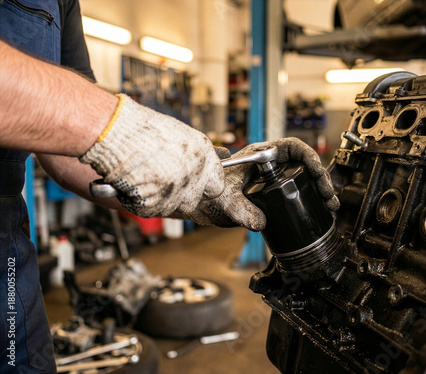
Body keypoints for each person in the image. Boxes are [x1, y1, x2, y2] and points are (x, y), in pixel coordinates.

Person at [0, 1, 339, 372]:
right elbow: (93, 125)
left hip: (9, 249)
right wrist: (115, 125)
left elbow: (71, 151)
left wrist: (203, 190)